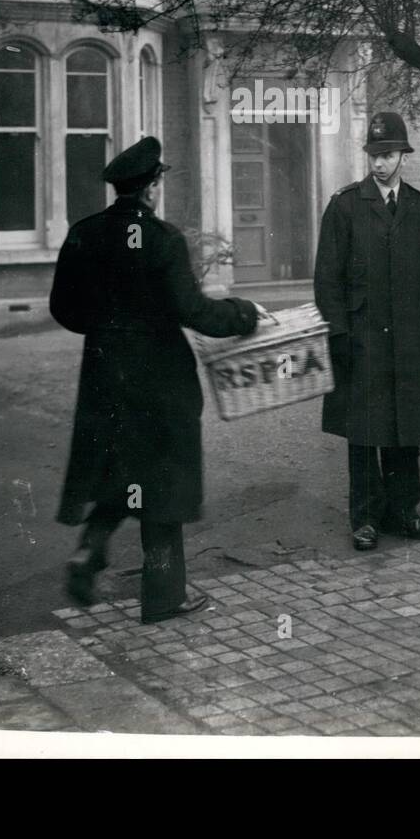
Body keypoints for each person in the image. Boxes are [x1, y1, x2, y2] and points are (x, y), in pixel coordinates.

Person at [50, 136, 259, 623]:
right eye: (159, 181)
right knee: (162, 484)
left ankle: (91, 547)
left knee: (118, 468)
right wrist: (244, 314)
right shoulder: (163, 239)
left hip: (104, 372)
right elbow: (193, 311)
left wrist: (105, 327)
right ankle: (165, 596)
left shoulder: (85, 233)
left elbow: (64, 309)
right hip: (160, 378)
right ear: (151, 187)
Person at [314, 112, 420, 551]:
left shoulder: (417, 205)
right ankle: (365, 519)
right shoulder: (346, 205)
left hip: (406, 337)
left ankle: (404, 511)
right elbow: (326, 279)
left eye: (387, 155)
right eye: (374, 155)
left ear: (403, 156)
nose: (379, 165)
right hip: (362, 337)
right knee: (366, 430)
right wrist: (339, 335)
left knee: (405, 427)